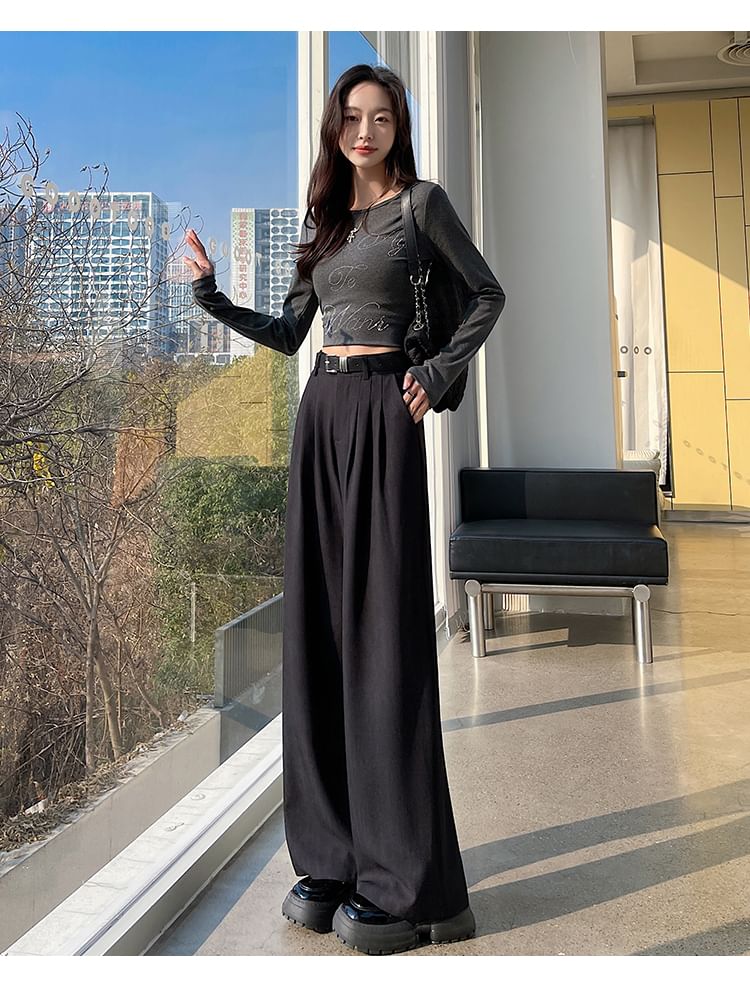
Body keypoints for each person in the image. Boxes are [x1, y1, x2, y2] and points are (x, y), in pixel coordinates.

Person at [184, 63, 506, 956]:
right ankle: (330, 857)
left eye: (381, 117)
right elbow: (292, 332)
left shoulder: (421, 206)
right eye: (352, 117)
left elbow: (486, 293)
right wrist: (211, 296)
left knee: (384, 639)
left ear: (398, 127)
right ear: (335, 130)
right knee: (319, 638)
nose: (365, 131)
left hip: (384, 412)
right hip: (321, 415)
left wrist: (435, 371)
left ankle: (411, 884)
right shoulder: (323, 221)